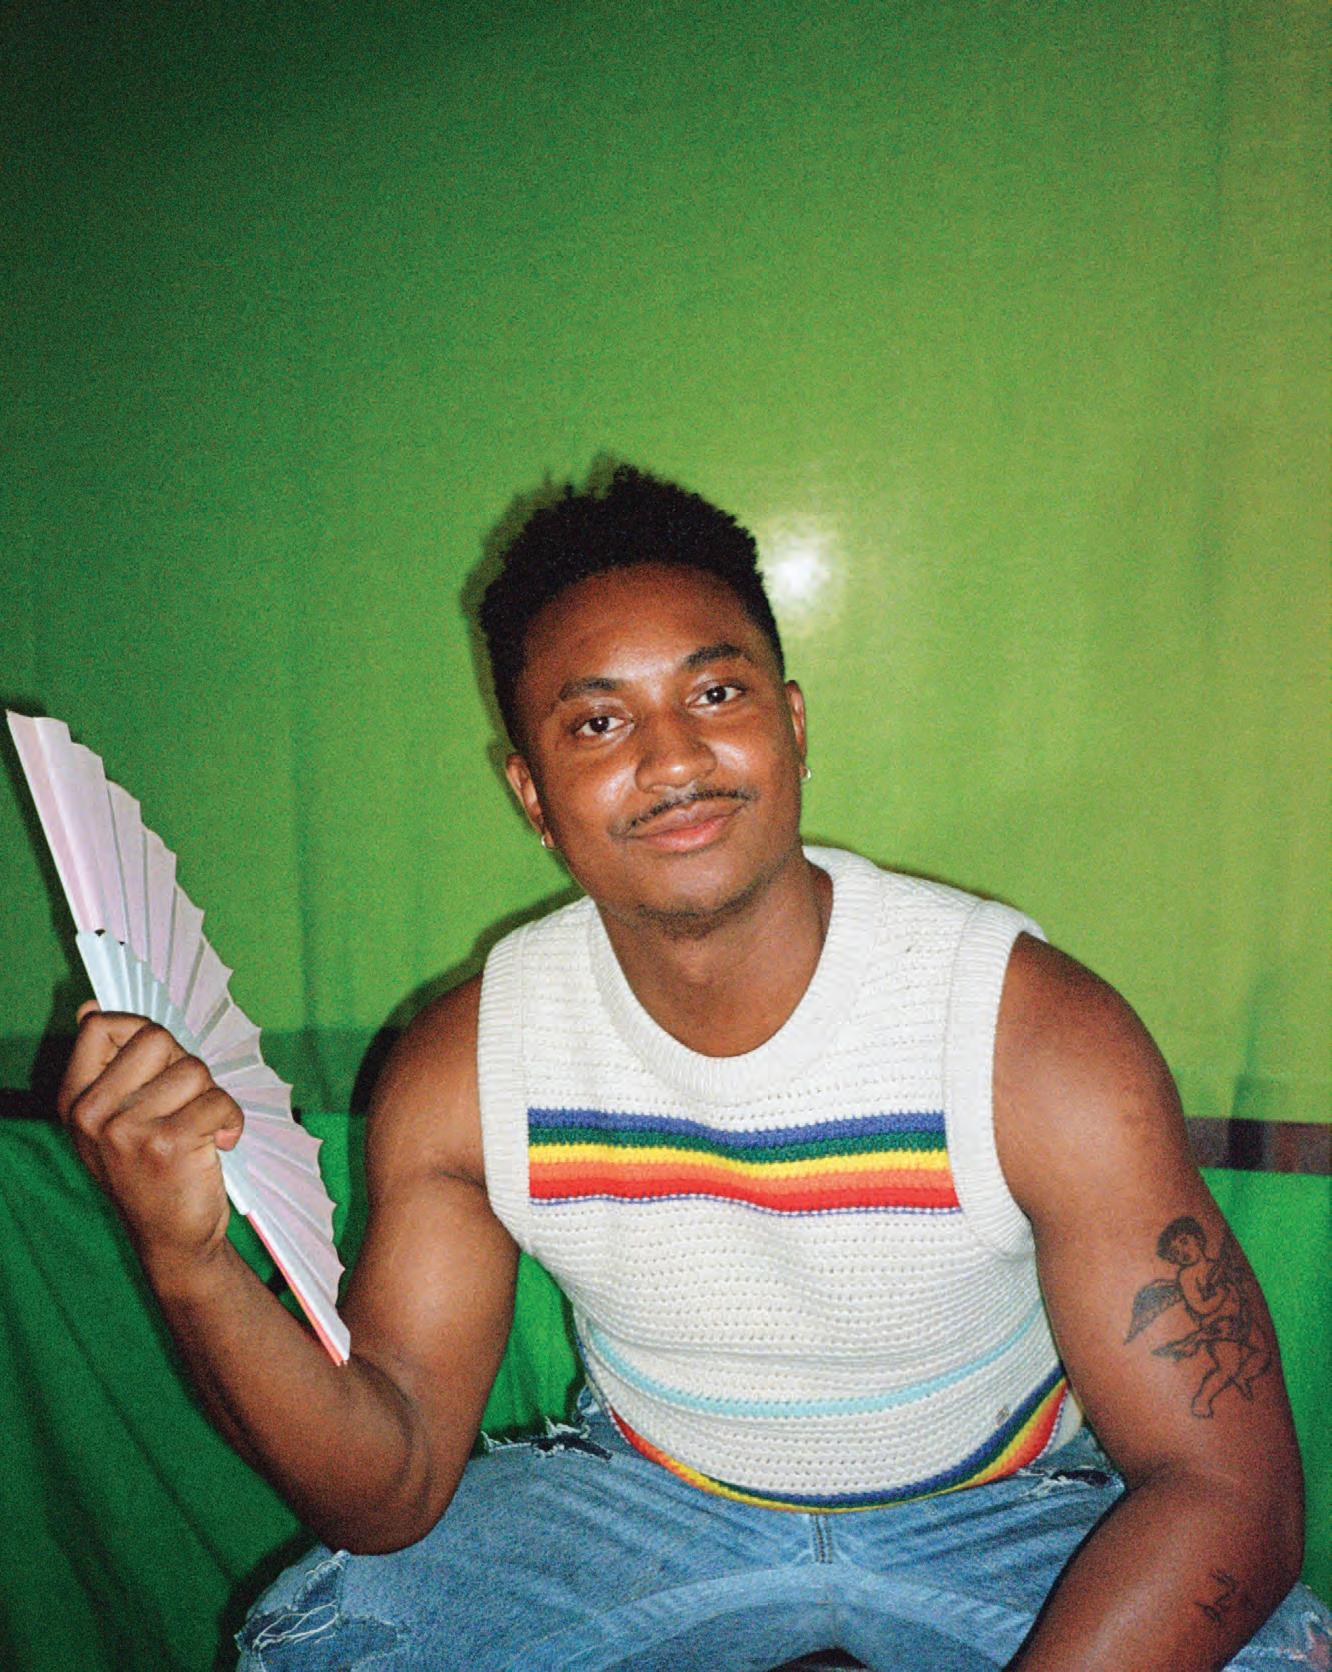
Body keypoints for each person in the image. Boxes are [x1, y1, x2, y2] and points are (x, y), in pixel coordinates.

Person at [59, 466, 1327, 1671]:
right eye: (599, 722)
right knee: (315, 1643)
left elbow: (1231, 1492)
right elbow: (387, 1490)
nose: (672, 759)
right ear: (533, 794)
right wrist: (190, 1260)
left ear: (793, 723)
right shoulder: (470, 1065)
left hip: (1013, 1509)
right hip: (642, 1502)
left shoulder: (1028, 1035)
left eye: (715, 694)